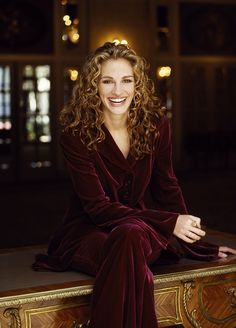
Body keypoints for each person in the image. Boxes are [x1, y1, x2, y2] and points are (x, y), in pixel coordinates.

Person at [33, 42, 236, 328]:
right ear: (94, 86)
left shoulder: (156, 124)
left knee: (129, 235)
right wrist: (169, 223)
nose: (118, 91)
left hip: (140, 229)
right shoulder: (76, 132)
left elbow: (167, 186)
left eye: (126, 80)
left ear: (137, 84)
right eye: (107, 81)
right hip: (87, 231)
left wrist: (196, 244)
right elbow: (97, 208)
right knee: (127, 241)